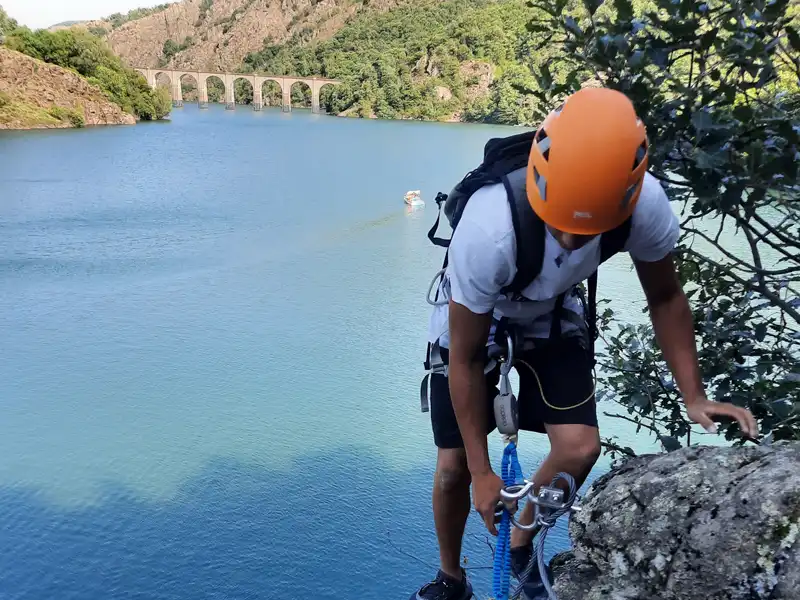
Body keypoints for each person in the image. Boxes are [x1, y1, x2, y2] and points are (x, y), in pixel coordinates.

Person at [410, 87, 759, 600]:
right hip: (475, 318)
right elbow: (463, 358)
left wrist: (694, 395)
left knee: (579, 447)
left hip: (551, 312)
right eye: (562, 225)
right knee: (454, 465)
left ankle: (521, 547)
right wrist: (484, 472)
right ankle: (451, 578)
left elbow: (665, 296)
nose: (573, 242)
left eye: (588, 229)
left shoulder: (644, 205)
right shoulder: (490, 227)